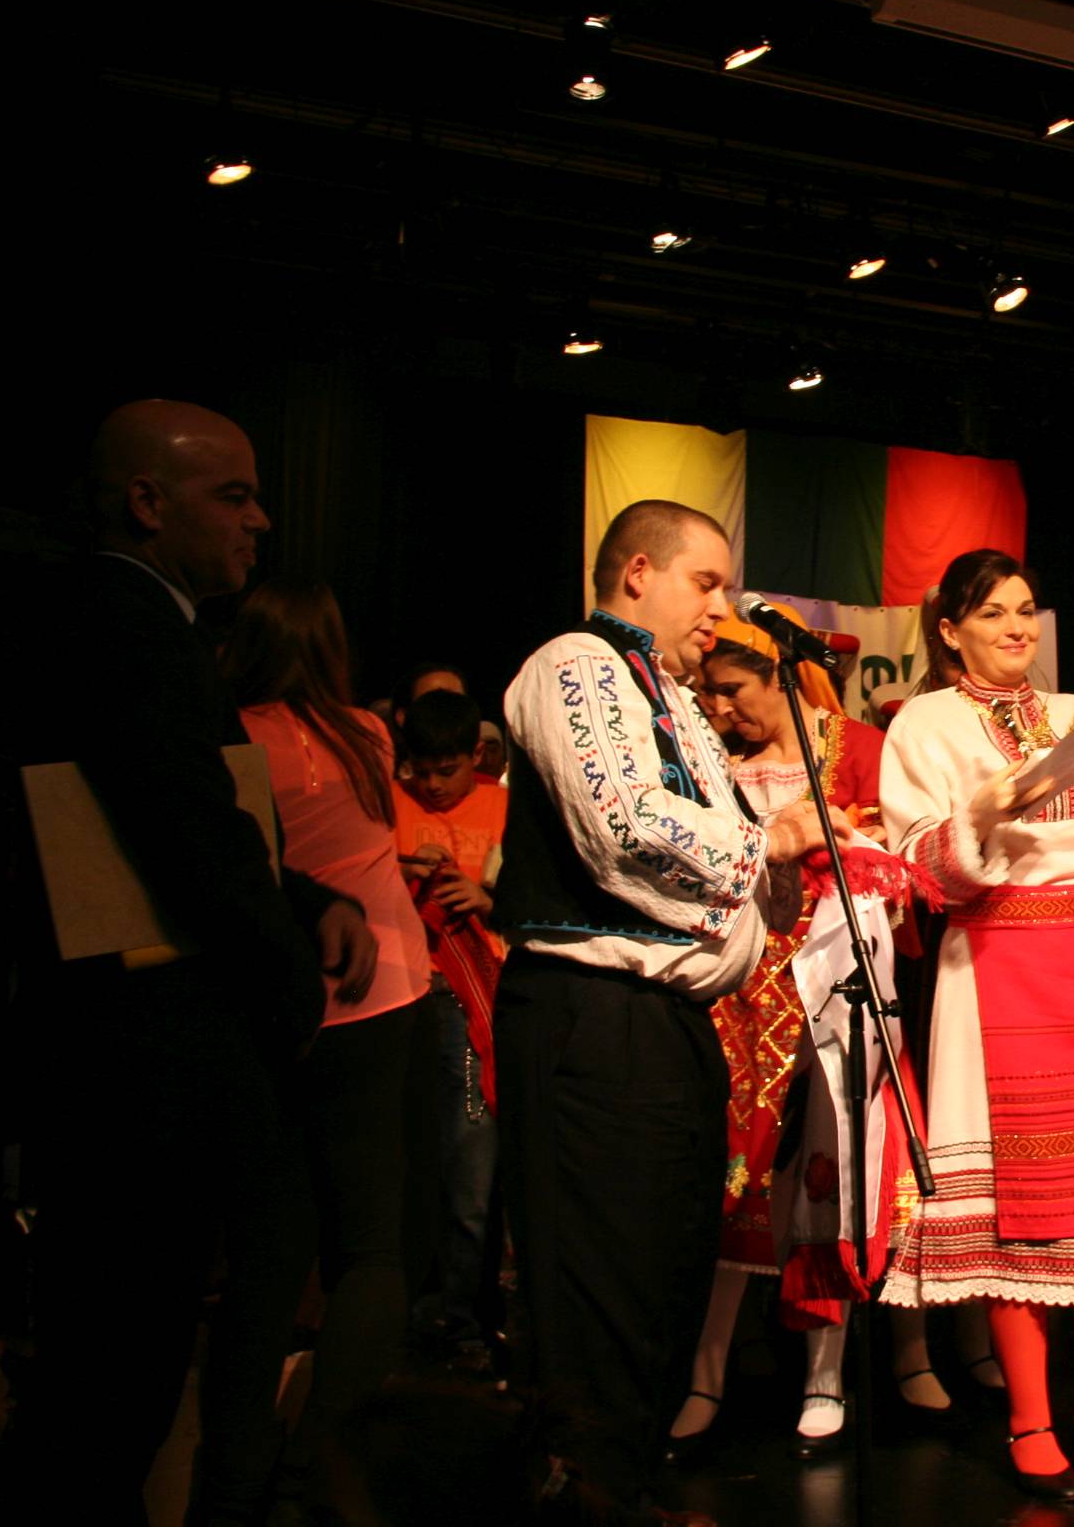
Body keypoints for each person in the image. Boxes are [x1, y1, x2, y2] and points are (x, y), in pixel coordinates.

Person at [41, 400, 377, 1523]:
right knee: (118, 1365)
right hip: (150, 1051)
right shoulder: (124, 620)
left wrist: (309, 899)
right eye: (233, 496)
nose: (260, 521)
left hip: (160, 1036)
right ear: (147, 502)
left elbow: (198, 821)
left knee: (131, 1358)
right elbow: (184, 827)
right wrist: (286, 984)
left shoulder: (150, 620)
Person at [493, 499, 837, 1513]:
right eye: (706, 582)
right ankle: (588, 1487)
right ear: (637, 572)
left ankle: (625, 1478)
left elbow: (713, 846)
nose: (722, 608)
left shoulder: (671, 695)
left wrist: (784, 859)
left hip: (667, 1025)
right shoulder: (579, 663)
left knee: (661, 1276)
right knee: (600, 1285)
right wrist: (771, 841)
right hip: (596, 1015)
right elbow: (625, 824)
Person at [878, 549, 1074, 1500]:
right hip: (995, 966)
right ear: (949, 630)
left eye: (1025, 610)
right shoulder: (924, 721)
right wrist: (988, 811)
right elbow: (918, 869)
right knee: (1019, 1207)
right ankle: (1033, 1417)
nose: (1015, 627)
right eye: (993, 613)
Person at [667, 615, 950, 1463]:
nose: (721, 708)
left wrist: (864, 864)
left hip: (837, 983)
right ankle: (704, 1373)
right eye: (709, 693)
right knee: (737, 1170)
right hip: (740, 995)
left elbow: (905, 864)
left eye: (733, 690)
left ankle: (828, 1376)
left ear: (777, 677)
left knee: (840, 1166)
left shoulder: (857, 750)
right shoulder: (710, 760)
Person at [227, 579, 438, 1505]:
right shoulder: (368, 736)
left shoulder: (230, 739)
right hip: (383, 996)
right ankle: (318, 1460)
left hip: (278, 1007)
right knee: (375, 1247)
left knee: (270, 1252)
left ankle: (232, 1471)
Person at [392, 689, 510, 1371]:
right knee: (421, 1166)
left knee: (474, 1161)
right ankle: (425, 1314)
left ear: (478, 756)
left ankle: (465, 1317)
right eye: (421, 771)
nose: (433, 786)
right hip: (407, 996)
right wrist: (397, 875)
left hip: (480, 1002)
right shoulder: (389, 804)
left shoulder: (503, 806)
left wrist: (485, 898)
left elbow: (531, 899)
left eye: (448, 770)